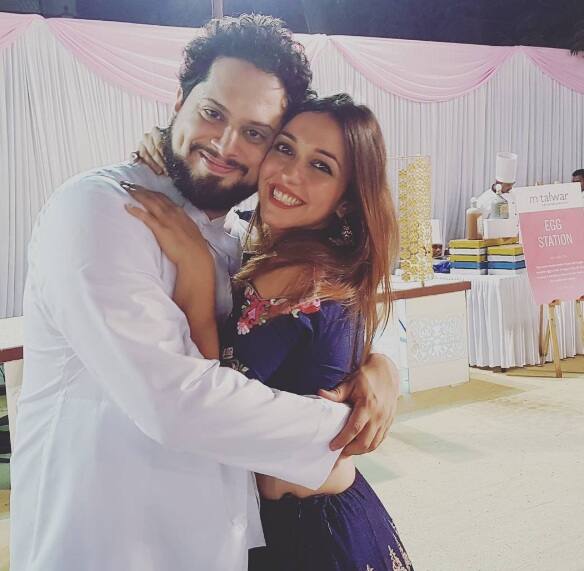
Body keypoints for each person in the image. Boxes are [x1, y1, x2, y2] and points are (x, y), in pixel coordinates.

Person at [10, 15, 399, 571]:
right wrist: (342, 429)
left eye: (256, 133)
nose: (225, 144)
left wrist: (381, 367)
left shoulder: (239, 238)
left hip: (226, 540)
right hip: (111, 539)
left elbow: (327, 320)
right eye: (213, 113)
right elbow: (177, 403)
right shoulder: (103, 211)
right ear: (178, 101)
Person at [126, 94, 413, 571]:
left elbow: (209, 397)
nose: (289, 174)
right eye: (284, 148)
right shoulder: (294, 254)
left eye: (320, 166)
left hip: (304, 533)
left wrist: (194, 269)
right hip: (307, 514)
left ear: (347, 200)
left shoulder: (301, 272)